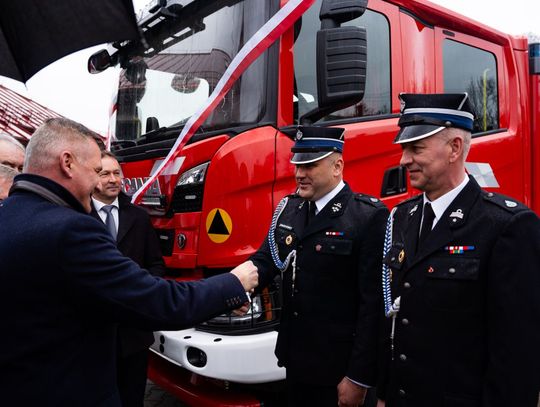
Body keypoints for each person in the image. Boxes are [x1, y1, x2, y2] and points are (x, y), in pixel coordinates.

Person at [0, 117, 258, 407]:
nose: (98, 182)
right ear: (67, 163)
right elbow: (159, 301)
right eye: (96, 171)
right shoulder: (70, 230)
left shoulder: (7, 214)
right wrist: (233, 284)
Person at [376, 93, 540, 407]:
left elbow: (516, 353)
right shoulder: (403, 218)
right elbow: (394, 319)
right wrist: (383, 393)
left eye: (416, 148)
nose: (404, 160)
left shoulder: (505, 225)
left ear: (454, 148)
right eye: (404, 149)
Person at [245, 126, 388, 407]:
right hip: (296, 360)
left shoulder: (367, 217)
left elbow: (373, 307)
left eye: (309, 165)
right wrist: (235, 289)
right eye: (297, 165)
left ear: (337, 166)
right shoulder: (290, 208)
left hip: (338, 369)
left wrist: (359, 378)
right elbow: (266, 261)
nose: (299, 173)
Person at [91, 151, 166, 407]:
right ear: (92, 177)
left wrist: (144, 294)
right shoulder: (77, 217)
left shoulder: (139, 217)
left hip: (134, 334)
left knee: (132, 398)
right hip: (94, 336)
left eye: (117, 173)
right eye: (104, 174)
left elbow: (156, 264)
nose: (113, 179)